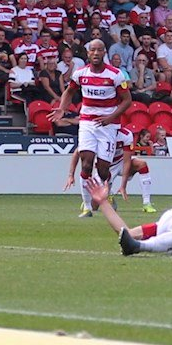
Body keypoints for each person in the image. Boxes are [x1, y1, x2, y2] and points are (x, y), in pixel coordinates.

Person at [50, 39, 131, 217]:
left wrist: (110, 117)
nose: (96, 53)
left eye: (99, 50)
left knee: (103, 169)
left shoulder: (115, 74)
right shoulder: (80, 73)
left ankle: (106, 192)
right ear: (88, 53)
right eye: (92, 50)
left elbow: (127, 100)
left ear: (104, 53)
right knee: (86, 163)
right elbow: (69, 91)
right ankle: (87, 206)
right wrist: (62, 108)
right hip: (87, 123)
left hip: (108, 126)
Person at [64, 126, 154, 213]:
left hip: (120, 162)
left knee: (142, 164)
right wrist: (71, 175)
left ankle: (147, 203)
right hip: (104, 167)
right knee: (95, 207)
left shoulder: (126, 135)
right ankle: (101, 196)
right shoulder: (97, 133)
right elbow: (77, 153)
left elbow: (127, 161)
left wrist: (123, 186)